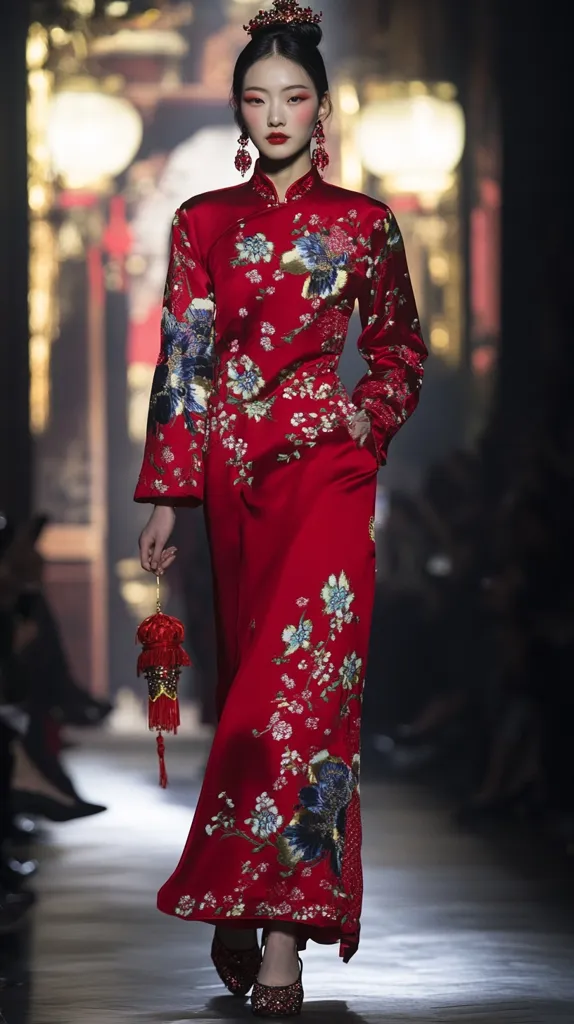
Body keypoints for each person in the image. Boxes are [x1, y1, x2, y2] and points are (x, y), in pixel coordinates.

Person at [135, 1, 427, 1016]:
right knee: (253, 695)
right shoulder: (201, 224)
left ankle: (281, 939)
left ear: (322, 106)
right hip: (233, 475)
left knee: (309, 692)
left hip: (334, 475)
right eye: (255, 99)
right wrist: (172, 490)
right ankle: (241, 888)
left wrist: (364, 416)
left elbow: (398, 352)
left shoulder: (365, 225)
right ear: (237, 109)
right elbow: (184, 365)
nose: (274, 115)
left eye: (292, 97)